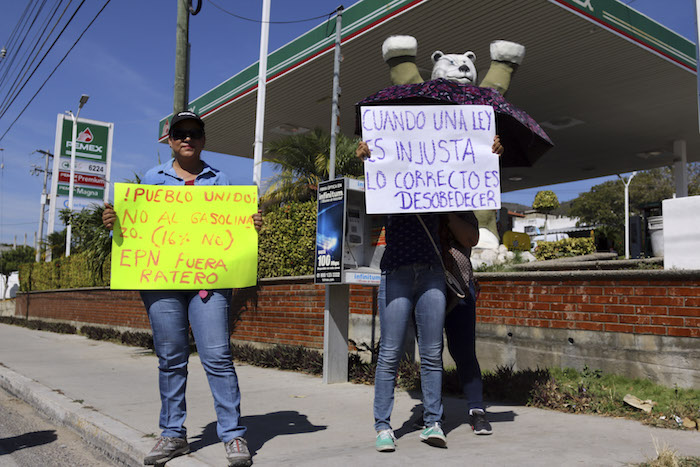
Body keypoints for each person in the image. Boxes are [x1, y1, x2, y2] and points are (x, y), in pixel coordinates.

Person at [102, 110, 262, 467]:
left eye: (194, 132)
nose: (187, 138)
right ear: (170, 140)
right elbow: (137, 230)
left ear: (203, 139)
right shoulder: (151, 179)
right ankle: (173, 435)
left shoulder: (220, 181)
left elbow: (232, 230)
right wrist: (116, 222)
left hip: (209, 280)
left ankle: (233, 435)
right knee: (171, 358)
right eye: (180, 133)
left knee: (217, 357)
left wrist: (251, 223)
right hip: (161, 281)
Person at [357, 136, 502, 452]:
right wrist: (367, 160)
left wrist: (488, 153)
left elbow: (472, 174)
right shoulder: (390, 174)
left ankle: (433, 423)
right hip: (395, 271)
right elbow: (373, 192)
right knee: (391, 353)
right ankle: (383, 427)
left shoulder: (444, 180)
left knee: (433, 353)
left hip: (433, 272)